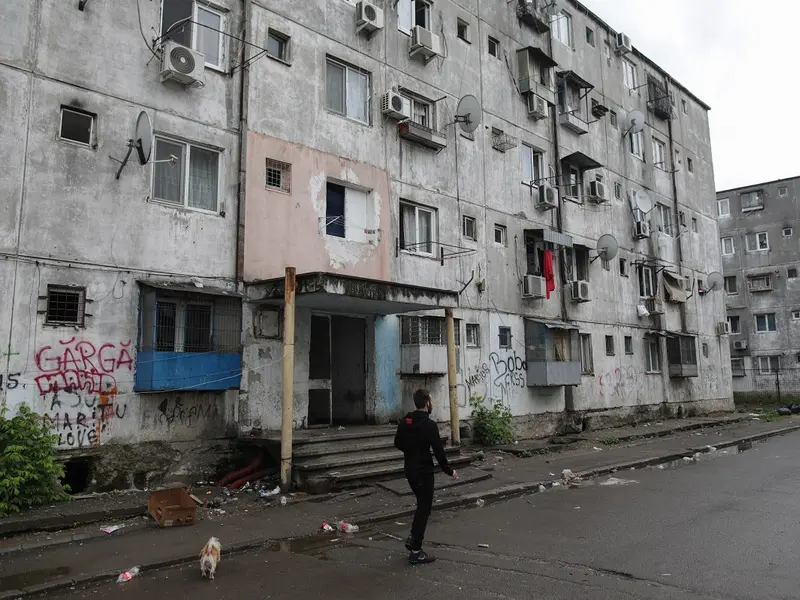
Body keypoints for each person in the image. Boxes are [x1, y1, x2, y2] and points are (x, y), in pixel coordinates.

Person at [394, 388, 457, 565]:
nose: (432, 404)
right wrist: (449, 470)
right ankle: (415, 550)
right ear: (427, 403)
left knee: (421, 507)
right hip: (424, 473)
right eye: (431, 401)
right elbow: (438, 451)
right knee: (424, 509)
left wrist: (411, 451)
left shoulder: (406, 421)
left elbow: (397, 442)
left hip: (410, 470)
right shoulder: (429, 425)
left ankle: (413, 540)